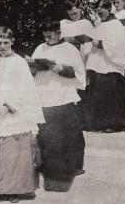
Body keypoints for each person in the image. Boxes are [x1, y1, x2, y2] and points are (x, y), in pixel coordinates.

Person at [0, 26, 45, 203]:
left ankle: (14, 189)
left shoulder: (19, 62)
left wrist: (8, 106)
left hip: (13, 110)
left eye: (6, 42)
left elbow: (26, 89)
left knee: (14, 152)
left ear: (12, 42)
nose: (2, 46)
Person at [31, 18, 86, 192]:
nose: (48, 36)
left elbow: (79, 74)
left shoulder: (70, 49)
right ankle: (50, 169)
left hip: (64, 97)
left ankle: (70, 169)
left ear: (59, 33)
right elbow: (32, 69)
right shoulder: (40, 48)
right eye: (45, 34)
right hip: (44, 97)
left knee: (67, 136)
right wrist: (33, 68)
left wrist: (63, 70)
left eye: (51, 33)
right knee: (46, 136)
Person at [86, 0, 125, 133]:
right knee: (99, 95)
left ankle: (115, 124)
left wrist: (98, 43)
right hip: (99, 63)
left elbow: (116, 46)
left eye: (102, 11)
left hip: (111, 65)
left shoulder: (116, 25)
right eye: (98, 12)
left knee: (111, 95)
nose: (100, 14)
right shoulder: (99, 24)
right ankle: (99, 124)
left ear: (109, 9)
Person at [61, 0, 95, 64]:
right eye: (70, 14)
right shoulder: (63, 23)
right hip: (68, 57)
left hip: (84, 58)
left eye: (75, 13)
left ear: (80, 8)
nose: (73, 16)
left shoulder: (87, 23)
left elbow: (94, 42)